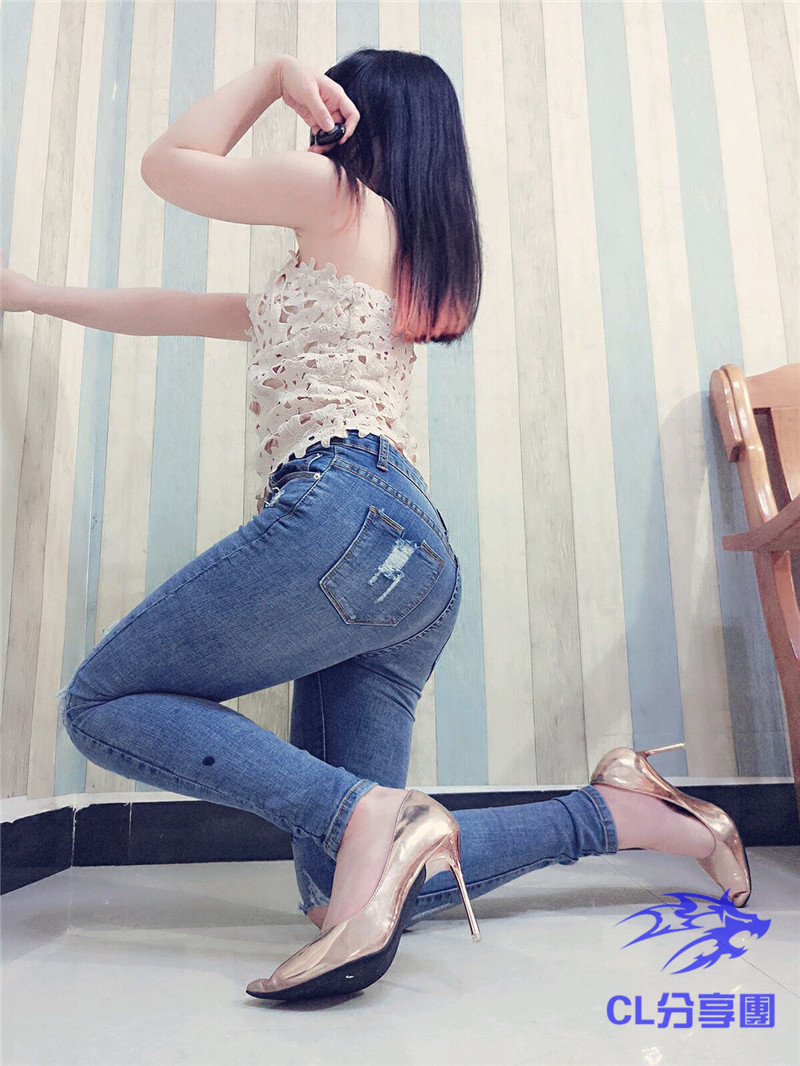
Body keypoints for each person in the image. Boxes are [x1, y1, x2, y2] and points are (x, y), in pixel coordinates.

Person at [0, 48, 749, 1003]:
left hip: (349, 519)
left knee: (101, 702)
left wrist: (274, 73)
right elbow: (167, 310)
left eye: (330, 109)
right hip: (409, 562)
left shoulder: (340, 199)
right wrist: (31, 294)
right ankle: (618, 814)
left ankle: (372, 816)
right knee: (338, 897)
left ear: (361, 120)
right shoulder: (359, 261)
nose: (316, 127)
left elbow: (167, 165)